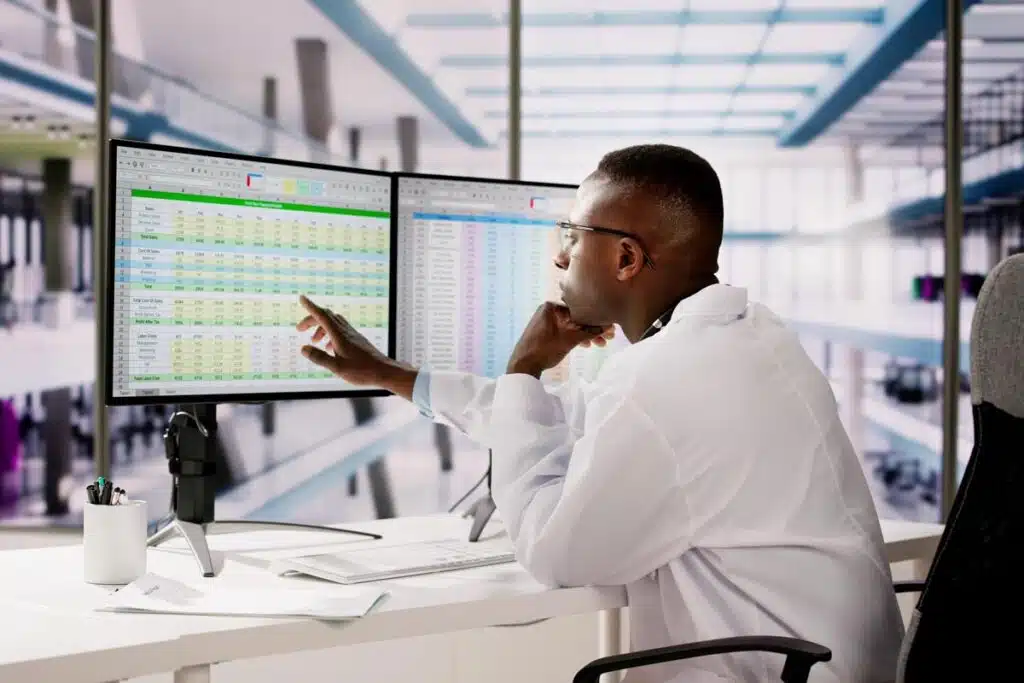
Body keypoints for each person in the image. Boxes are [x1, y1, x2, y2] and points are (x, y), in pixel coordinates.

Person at [295, 144, 904, 683]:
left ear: (625, 260)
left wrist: (522, 369)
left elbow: (555, 553)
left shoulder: (661, 381)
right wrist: (391, 375)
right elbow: (560, 424)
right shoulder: (751, 336)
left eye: (572, 233)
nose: (560, 257)